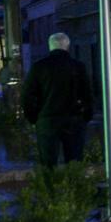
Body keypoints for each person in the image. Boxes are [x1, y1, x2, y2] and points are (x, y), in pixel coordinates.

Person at [22, 32, 93, 168]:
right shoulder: (78, 66)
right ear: (68, 46)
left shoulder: (39, 66)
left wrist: (33, 118)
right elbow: (87, 94)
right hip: (73, 119)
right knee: (74, 162)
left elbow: (27, 96)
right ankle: (73, 187)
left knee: (48, 163)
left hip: (47, 120)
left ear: (50, 46)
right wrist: (86, 116)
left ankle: (50, 187)